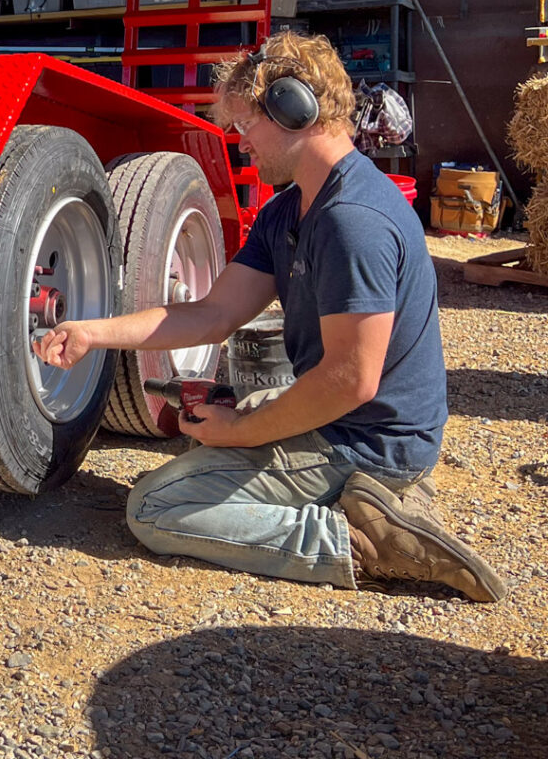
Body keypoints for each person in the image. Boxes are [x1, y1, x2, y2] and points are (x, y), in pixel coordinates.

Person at [34, 31, 505, 602]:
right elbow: (212, 313)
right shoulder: (290, 210)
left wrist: (243, 431)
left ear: (292, 109)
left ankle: (356, 541)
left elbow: (352, 379)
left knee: (156, 507)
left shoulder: (351, 220)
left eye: (244, 125)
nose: (240, 143)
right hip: (348, 424)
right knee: (211, 430)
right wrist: (91, 333)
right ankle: (379, 503)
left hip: (371, 440)